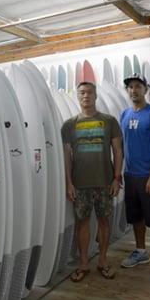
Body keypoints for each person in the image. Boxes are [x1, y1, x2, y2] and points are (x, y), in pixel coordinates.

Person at [62, 81, 123, 282]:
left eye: (89, 92)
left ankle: (103, 261)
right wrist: (69, 183)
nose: (86, 96)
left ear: (95, 96)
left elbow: (118, 151)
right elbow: (66, 157)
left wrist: (116, 178)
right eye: (82, 93)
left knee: (104, 221)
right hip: (80, 184)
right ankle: (83, 263)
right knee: (82, 223)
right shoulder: (69, 125)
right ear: (78, 97)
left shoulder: (109, 121)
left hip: (105, 182)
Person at [120, 73, 150, 281]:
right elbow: (122, 146)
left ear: (145, 90)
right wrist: (118, 173)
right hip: (130, 176)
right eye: (130, 87)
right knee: (136, 218)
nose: (133, 90)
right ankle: (141, 252)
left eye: (138, 86)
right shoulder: (124, 115)